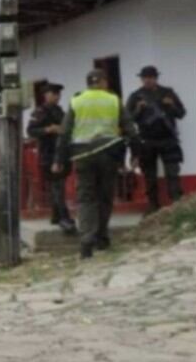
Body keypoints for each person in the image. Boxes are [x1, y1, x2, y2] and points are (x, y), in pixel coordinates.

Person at [53, 69, 138, 259]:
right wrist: (135, 153)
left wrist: (59, 159)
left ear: (88, 83)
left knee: (86, 198)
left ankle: (86, 241)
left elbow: (65, 132)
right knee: (105, 196)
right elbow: (130, 127)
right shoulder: (113, 100)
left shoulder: (77, 101)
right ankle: (102, 237)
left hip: (83, 156)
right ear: (104, 82)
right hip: (108, 154)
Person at [126, 66, 186, 215]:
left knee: (172, 173)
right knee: (149, 176)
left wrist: (171, 105)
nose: (147, 80)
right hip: (147, 141)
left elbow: (182, 113)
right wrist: (138, 110)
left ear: (156, 78)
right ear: (141, 79)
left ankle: (177, 204)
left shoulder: (168, 92)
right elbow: (127, 119)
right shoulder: (136, 96)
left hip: (168, 139)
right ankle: (153, 206)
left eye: (151, 77)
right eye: (145, 77)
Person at [27, 82, 77, 234]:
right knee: (57, 186)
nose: (56, 96)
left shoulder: (59, 110)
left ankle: (56, 215)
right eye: (53, 94)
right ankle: (64, 217)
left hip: (61, 151)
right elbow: (31, 130)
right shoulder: (40, 111)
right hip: (48, 153)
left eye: (58, 94)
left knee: (58, 184)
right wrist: (48, 129)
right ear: (46, 95)